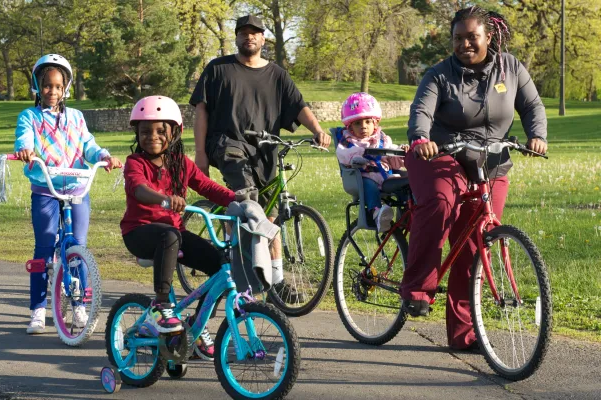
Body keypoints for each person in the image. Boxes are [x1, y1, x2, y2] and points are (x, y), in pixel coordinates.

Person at [400, 6, 548, 351]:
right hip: (440, 153)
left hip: (491, 161)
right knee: (439, 202)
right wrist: (421, 137)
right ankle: (418, 289)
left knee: (474, 245)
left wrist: (537, 134)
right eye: (458, 38)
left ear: (489, 37)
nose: (464, 43)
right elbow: (421, 109)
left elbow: (532, 107)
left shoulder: (510, 68)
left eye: (472, 37)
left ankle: (463, 335)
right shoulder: (439, 74)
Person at [189, 14, 331, 302]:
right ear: (237, 37)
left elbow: (298, 105)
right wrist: (201, 153)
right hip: (227, 144)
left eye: (255, 33)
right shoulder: (219, 69)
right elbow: (201, 110)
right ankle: (242, 278)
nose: (249, 37)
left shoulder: (277, 74)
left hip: (265, 149)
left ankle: (276, 281)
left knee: (271, 217)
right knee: (247, 203)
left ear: (263, 38)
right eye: (243, 32)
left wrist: (317, 130)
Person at [120, 95, 236, 359]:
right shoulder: (135, 163)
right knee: (170, 234)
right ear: (136, 133)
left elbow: (207, 187)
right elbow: (138, 189)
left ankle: (197, 326)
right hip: (139, 232)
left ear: (174, 133)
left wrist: (237, 199)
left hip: (173, 235)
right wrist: (164, 199)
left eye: (161, 131)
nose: (153, 136)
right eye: (145, 131)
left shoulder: (182, 164)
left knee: (220, 266)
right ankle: (162, 304)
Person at [14, 54, 123, 334]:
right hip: (46, 189)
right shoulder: (30, 116)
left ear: (66, 89)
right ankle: (38, 310)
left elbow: (88, 144)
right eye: (47, 86)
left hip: (77, 188)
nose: (52, 91)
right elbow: (24, 137)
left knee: (78, 248)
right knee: (44, 247)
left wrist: (104, 156)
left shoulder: (76, 117)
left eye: (58, 87)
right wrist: (26, 150)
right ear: (37, 87)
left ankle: (79, 307)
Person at [335, 92, 409, 232]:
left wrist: (402, 152)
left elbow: (391, 155)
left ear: (375, 123)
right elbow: (342, 154)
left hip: (386, 176)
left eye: (368, 122)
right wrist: (358, 156)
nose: (363, 126)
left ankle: (406, 211)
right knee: (369, 186)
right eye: (358, 123)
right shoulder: (349, 142)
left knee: (404, 181)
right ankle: (376, 213)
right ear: (350, 127)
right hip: (364, 177)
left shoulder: (382, 140)